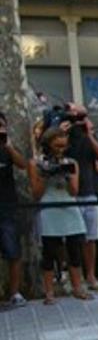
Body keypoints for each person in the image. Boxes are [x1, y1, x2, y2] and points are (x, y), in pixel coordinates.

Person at [30, 128, 90, 303]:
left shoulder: (71, 163)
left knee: (74, 250)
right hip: (49, 208)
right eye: (56, 146)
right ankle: (49, 292)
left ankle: (77, 287)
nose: (60, 150)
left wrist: (66, 175)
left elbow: (74, 191)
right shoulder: (36, 163)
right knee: (49, 251)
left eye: (63, 146)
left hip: (69, 207)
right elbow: (36, 194)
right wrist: (46, 175)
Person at [63, 105, 98, 292]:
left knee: (91, 238)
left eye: (81, 116)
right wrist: (62, 131)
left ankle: (91, 276)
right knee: (71, 239)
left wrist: (88, 132)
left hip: (90, 192)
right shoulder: (63, 136)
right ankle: (74, 278)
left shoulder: (87, 137)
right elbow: (50, 151)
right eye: (74, 117)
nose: (78, 120)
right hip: (69, 195)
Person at [0, 114, 29, 307]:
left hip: (7, 207)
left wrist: (8, 146)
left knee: (13, 251)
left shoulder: (7, 148)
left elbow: (23, 165)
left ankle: (15, 292)